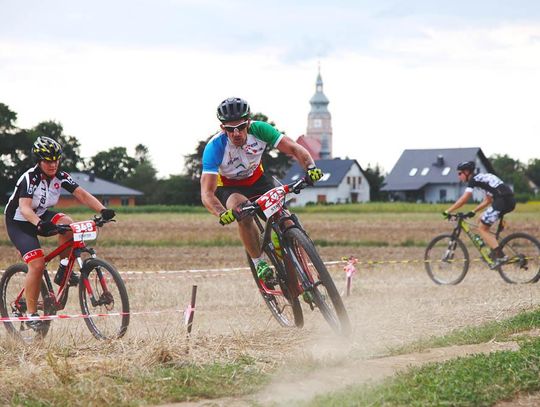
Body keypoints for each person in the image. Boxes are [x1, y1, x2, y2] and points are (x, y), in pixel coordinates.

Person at [200, 97, 323, 282]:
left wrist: (311, 168)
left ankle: (303, 276)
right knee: (243, 212)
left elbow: (295, 149)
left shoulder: (260, 130)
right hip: (230, 186)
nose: (236, 133)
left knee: (286, 222)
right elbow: (207, 193)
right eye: (230, 129)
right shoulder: (215, 147)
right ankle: (259, 263)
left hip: (258, 181)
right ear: (222, 128)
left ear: (248, 122)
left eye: (241, 127)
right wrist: (221, 213)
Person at [4, 136, 116, 330]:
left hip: (40, 213)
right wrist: (39, 224)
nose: (53, 164)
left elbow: (81, 194)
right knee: (37, 264)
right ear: (39, 161)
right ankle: (31, 314)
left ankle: (64, 268)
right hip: (20, 221)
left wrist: (102, 210)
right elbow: (24, 208)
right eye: (48, 161)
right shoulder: (30, 178)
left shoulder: (60, 176)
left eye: (56, 160)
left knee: (68, 224)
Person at [444, 160, 516, 268]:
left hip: (502, 200)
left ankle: (500, 256)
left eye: (460, 173)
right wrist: (473, 211)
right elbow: (488, 200)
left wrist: (448, 211)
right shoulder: (482, 178)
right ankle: (493, 251)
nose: (459, 176)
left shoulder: (474, 179)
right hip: (508, 200)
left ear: (467, 172)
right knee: (480, 219)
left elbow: (464, 199)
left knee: (482, 229)